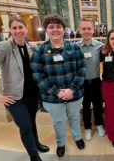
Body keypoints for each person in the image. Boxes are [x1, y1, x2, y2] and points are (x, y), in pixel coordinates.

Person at [0, 16, 49, 161]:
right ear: (10, 30)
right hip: (13, 97)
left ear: (26, 29)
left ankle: (36, 143)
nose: (18, 31)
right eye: (14, 28)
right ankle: (33, 155)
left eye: (20, 27)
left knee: (32, 121)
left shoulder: (32, 47)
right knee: (25, 125)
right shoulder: (4, 47)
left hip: (31, 94)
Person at [31, 14, 86, 159]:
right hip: (52, 97)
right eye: (51, 27)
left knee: (74, 117)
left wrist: (72, 89)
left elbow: (82, 69)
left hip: (75, 94)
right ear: (46, 30)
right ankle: (61, 143)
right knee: (59, 121)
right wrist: (57, 92)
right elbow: (37, 74)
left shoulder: (74, 48)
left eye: (58, 26)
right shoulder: (39, 51)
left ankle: (77, 137)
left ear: (63, 29)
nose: (55, 30)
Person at [76, 18, 105, 141]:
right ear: (79, 31)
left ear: (93, 30)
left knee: (98, 105)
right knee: (85, 106)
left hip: (96, 81)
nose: (86, 31)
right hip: (82, 83)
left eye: (89, 28)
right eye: (84, 29)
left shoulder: (100, 46)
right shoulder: (75, 47)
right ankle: (87, 127)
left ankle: (99, 124)